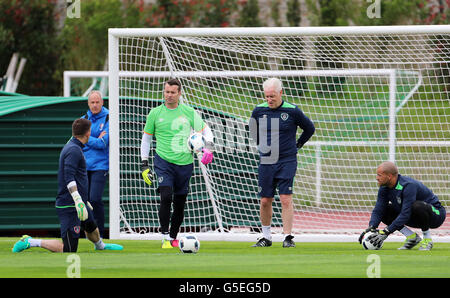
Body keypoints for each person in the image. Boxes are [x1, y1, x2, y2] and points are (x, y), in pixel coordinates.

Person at [12, 118, 122, 253]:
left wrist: (83, 199)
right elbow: (69, 177)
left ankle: (100, 245)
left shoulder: (74, 145)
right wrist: (77, 200)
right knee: (69, 249)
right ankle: (30, 241)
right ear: (88, 133)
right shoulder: (73, 150)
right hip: (69, 204)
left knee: (91, 226)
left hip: (80, 201)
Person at [140, 78, 214, 249]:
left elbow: (206, 130)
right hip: (163, 162)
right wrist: (144, 163)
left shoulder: (188, 112)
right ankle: (165, 237)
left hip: (185, 163)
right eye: (167, 92)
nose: (169, 95)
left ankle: (173, 236)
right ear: (163, 92)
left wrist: (208, 148)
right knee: (166, 196)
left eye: (173, 92)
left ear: (179, 93)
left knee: (180, 202)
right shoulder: (155, 113)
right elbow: (146, 139)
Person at [249, 77, 315, 248]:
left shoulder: (292, 111)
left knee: (285, 198)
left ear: (281, 93)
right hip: (267, 160)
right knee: (265, 200)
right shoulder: (258, 111)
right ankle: (266, 237)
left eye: (272, 96)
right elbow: (253, 129)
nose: (269, 100)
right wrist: (262, 146)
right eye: (267, 96)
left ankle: (287, 237)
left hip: (287, 160)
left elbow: (310, 128)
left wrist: (298, 145)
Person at [359, 161, 446, 251]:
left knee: (417, 206)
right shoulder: (384, 188)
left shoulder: (408, 185)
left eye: (379, 175)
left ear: (389, 176)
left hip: (436, 215)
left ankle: (427, 239)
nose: (377, 178)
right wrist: (372, 226)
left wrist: (386, 231)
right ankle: (412, 237)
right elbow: (378, 209)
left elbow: (405, 213)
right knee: (385, 211)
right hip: (413, 216)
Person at [80, 90, 109, 238]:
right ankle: (84, 233)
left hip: (100, 166)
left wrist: (87, 138)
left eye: (97, 102)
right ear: (88, 103)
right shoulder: (83, 119)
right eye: (92, 102)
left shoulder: (109, 117)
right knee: (82, 201)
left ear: (102, 102)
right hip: (84, 166)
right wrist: (94, 139)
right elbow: (78, 142)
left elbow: (103, 143)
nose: (95, 105)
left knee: (95, 199)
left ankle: (100, 235)